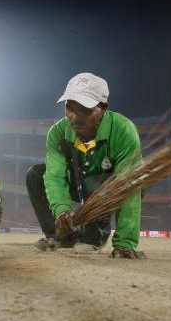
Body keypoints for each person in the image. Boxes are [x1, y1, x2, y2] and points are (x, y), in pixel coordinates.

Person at [25, 72, 146, 259]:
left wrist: (125, 243)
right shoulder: (58, 132)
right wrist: (62, 210)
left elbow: (128, 186)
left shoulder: (123, 130)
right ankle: (59, 235)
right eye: (70, 108)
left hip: (109, 186)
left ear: (103, 108)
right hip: (79, 183)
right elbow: (55, 176)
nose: (75, 117)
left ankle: (95, 235)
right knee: (35, 174)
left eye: (85, 109)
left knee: (100, 182)